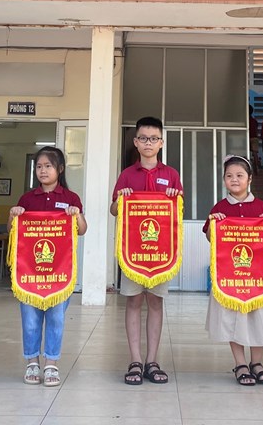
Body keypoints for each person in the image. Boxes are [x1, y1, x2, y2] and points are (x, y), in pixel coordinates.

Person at [111, 116, 183, 386]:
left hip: (161, 254)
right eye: (143, 138)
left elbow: (178, 210)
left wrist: (176, 197)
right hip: (133, 253)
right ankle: (135, 360)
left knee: (155, 303)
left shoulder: (171, 174)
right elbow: (113, 210)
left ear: (161, 143)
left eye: (154, 139)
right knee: (133, 302)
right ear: (136, 142)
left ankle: (152, 361)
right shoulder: (127, 175)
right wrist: (121, 199)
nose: (148, 143)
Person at [9, 146, 87, 387]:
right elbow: (13, 229)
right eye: (39, 166)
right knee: (30, 318)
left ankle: (51, 363)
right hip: (29, 271)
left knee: (56, 318)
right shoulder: (27, 199)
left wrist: (76, 215)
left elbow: (82, 229)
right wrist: (14, 214)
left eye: (48, 166)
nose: (43, 171)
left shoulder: (71, 198)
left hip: (59, 272)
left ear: (60, 169)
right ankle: (32, 361)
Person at [204, 155, 263, 386]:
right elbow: (209, 237)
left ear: (250, 179)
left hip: (258, 278)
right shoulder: (220, 208)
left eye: (239, 175)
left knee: (259, 319)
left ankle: (257, 363)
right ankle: (240, 363)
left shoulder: (262, 207)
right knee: (232, 320)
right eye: (229, 176)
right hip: (230, 278)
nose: (234, 180)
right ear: (224, 180)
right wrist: (215, 224)